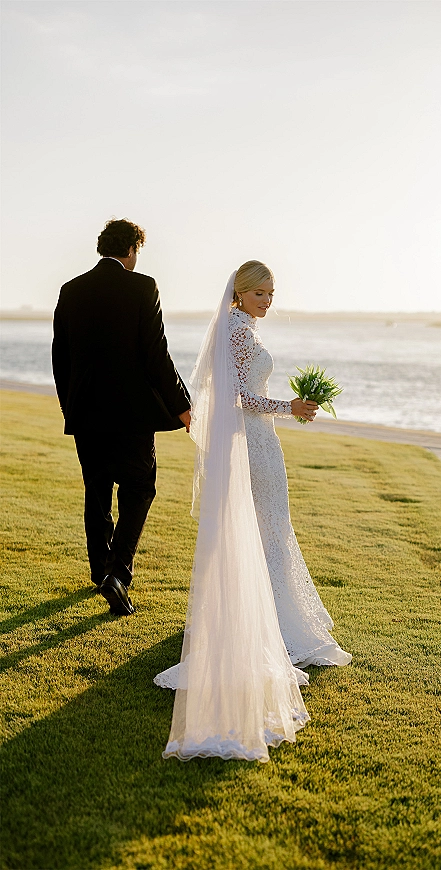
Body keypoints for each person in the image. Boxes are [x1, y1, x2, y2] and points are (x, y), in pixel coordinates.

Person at [155, 262, 351, 763]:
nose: (267, 300)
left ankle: (268, 618)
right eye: (259, 293)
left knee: (269, 529)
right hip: (255, 443)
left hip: (259, 442)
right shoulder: (238, 331)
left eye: (271, 292)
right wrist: (291, 407)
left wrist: (288, 410)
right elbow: (239, 397)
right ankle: (270, 628)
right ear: (238, 295)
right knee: (268, 530)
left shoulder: (237, 327)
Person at [52, 219, 191, 617]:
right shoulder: (142, 286)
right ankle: (118, 574)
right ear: (132, 248)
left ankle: (101, 574)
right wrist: (183, 407)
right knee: (139, 490)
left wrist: (69, 406)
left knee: (96, 493)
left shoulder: (71, 290)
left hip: (86, 414)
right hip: (132, 416)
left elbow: (61, 357)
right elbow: (156, 355)